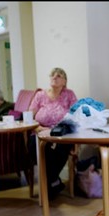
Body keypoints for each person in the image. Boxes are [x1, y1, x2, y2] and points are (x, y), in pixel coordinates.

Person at [28, 67, 77, 199]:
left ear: (64, 81)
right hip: (40, 132)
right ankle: (54, 182)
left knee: (60, 148)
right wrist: (38, 128)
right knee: (34, 147)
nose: (54, 77)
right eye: (52, 75)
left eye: (59, 76)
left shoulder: (69, 95)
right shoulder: (40, 95)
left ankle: (50, 183)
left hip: (62, 134)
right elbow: (29, 117)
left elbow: (77, 116)